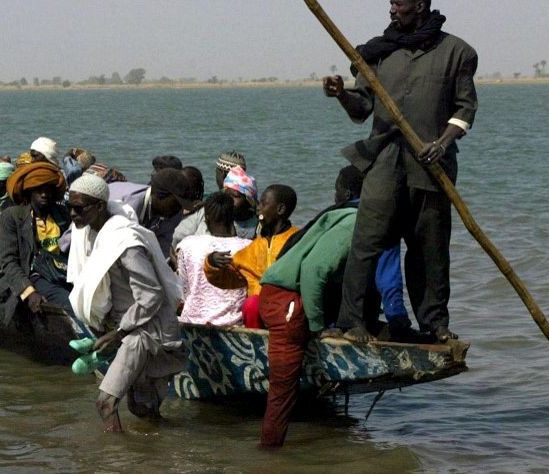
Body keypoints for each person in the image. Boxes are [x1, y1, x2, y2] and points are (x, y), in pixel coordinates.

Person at [322, 0, 478, 343]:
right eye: (391, 3)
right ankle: (352, 320)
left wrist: (442, 142)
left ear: (419, 7)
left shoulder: (457, 53)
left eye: (399, 4)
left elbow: (466, 109)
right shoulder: (376, 53)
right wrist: (342, 94)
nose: (391, 9)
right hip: (384, 163)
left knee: (430, 248)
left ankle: (434, 324)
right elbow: (361, 109)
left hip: (432, 166)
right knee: (366, 242)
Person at [256, 167, 410, 447]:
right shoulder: (355, 222)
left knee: (285, 388)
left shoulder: (356, 218)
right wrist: (318, 329)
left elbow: (381, 279)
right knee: (283, 388)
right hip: (284, 298)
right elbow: (315, 270)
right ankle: (269, 454)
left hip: (296, 296)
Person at [65, 174, 187, 432]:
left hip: (144, 332)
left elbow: (151, 294)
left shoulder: (125, 243)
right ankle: (153, 456)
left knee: (106, 403)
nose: (73, 215)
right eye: (69, 207)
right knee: (142, 408)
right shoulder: (90, 235)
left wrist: (117, 333)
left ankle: (116, 461)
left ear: (99, 207)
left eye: (79, 208)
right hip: (125, 329)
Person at [204, 184, 299, 328]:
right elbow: (229, 280)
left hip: (287, 308)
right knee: (251, 303)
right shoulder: (253, 247)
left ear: (280, 209)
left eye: (263, 203)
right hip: (260, 312)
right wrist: (212, 263)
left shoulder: (298, 239)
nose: (258, 208)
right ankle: (255, 341)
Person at [0, 161, 74, 319]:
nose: (44, 194)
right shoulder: (13, 216)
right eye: (39, 190)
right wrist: (29, 292)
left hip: (63, 272)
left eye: (48, 190)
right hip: (33, 274)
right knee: (70, 303)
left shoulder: (62, 213)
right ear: (29, 191)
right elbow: (8, 261)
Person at [176, 192, 252, 326]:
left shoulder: (187, 245)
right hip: (233, 324)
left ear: (206, 219)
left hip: (192, 322)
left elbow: (184, 289)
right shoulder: (248, 247)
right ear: (232, 217)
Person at [109, 167, 192, 259]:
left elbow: (163, 246)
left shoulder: (175, 213)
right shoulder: (128, 207)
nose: (178, 209)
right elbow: (116, 246)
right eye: (175, 203)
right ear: (159, 195)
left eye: (181, 205)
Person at [171, 165, 257, 251]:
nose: (229, 200)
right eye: (227, 195)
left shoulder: (257, 223)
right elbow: (176, 236)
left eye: (236, 196)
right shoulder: (209, 212)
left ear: (249, 201)